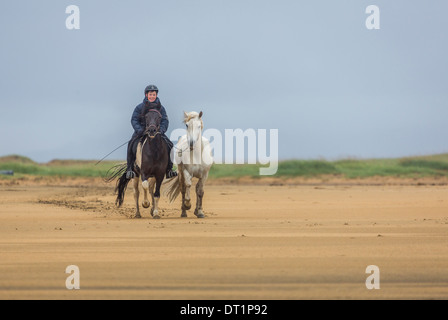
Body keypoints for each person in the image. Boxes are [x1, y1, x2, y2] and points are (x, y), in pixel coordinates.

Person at [125, 84, 178, 179]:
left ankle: (169, 169)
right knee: (131, 143)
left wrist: (161, 130)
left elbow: (165, 120)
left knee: (170, 144)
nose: (152, 96)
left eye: (154, 94)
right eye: (150, 94)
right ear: (146, 95)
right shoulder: (139, 107)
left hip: (157, 132)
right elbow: (134, 120)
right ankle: (129, 169)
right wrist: (139, 130)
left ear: (156, 95)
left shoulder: (161, 108)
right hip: (142, 132)